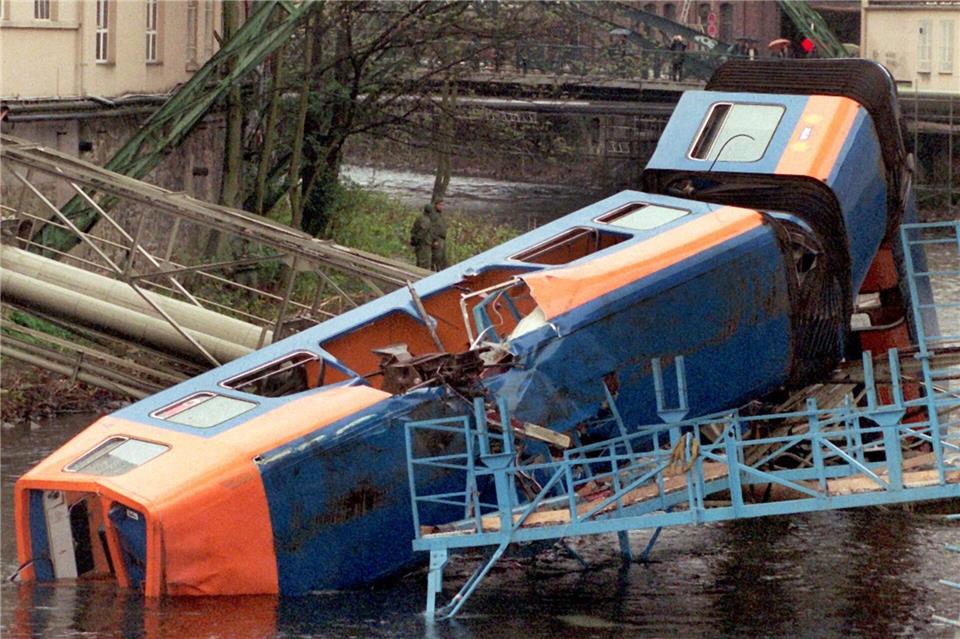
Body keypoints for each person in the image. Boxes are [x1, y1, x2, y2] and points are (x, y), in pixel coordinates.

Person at [410, 199, 448, 271]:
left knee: (426, 260)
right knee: (425, 261)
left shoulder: (423, 218)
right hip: (425, 242)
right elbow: (424, 232)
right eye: (440, 205)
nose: (442, 207)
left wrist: (414, 240)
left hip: (426, 242)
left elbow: (415, 230)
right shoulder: (427, 220)